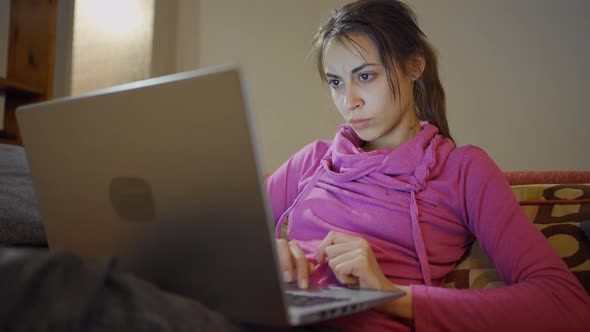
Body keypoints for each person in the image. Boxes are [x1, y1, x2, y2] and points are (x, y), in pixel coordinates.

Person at [265, 0, 590, 331]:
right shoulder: (311, 160)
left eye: (365, 76)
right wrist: (263, 256)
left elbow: (564, 303)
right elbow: (216, 243)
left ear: (414, 66)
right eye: (335, 82)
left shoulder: (462, 171)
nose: (349, 101)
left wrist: (389, 294)